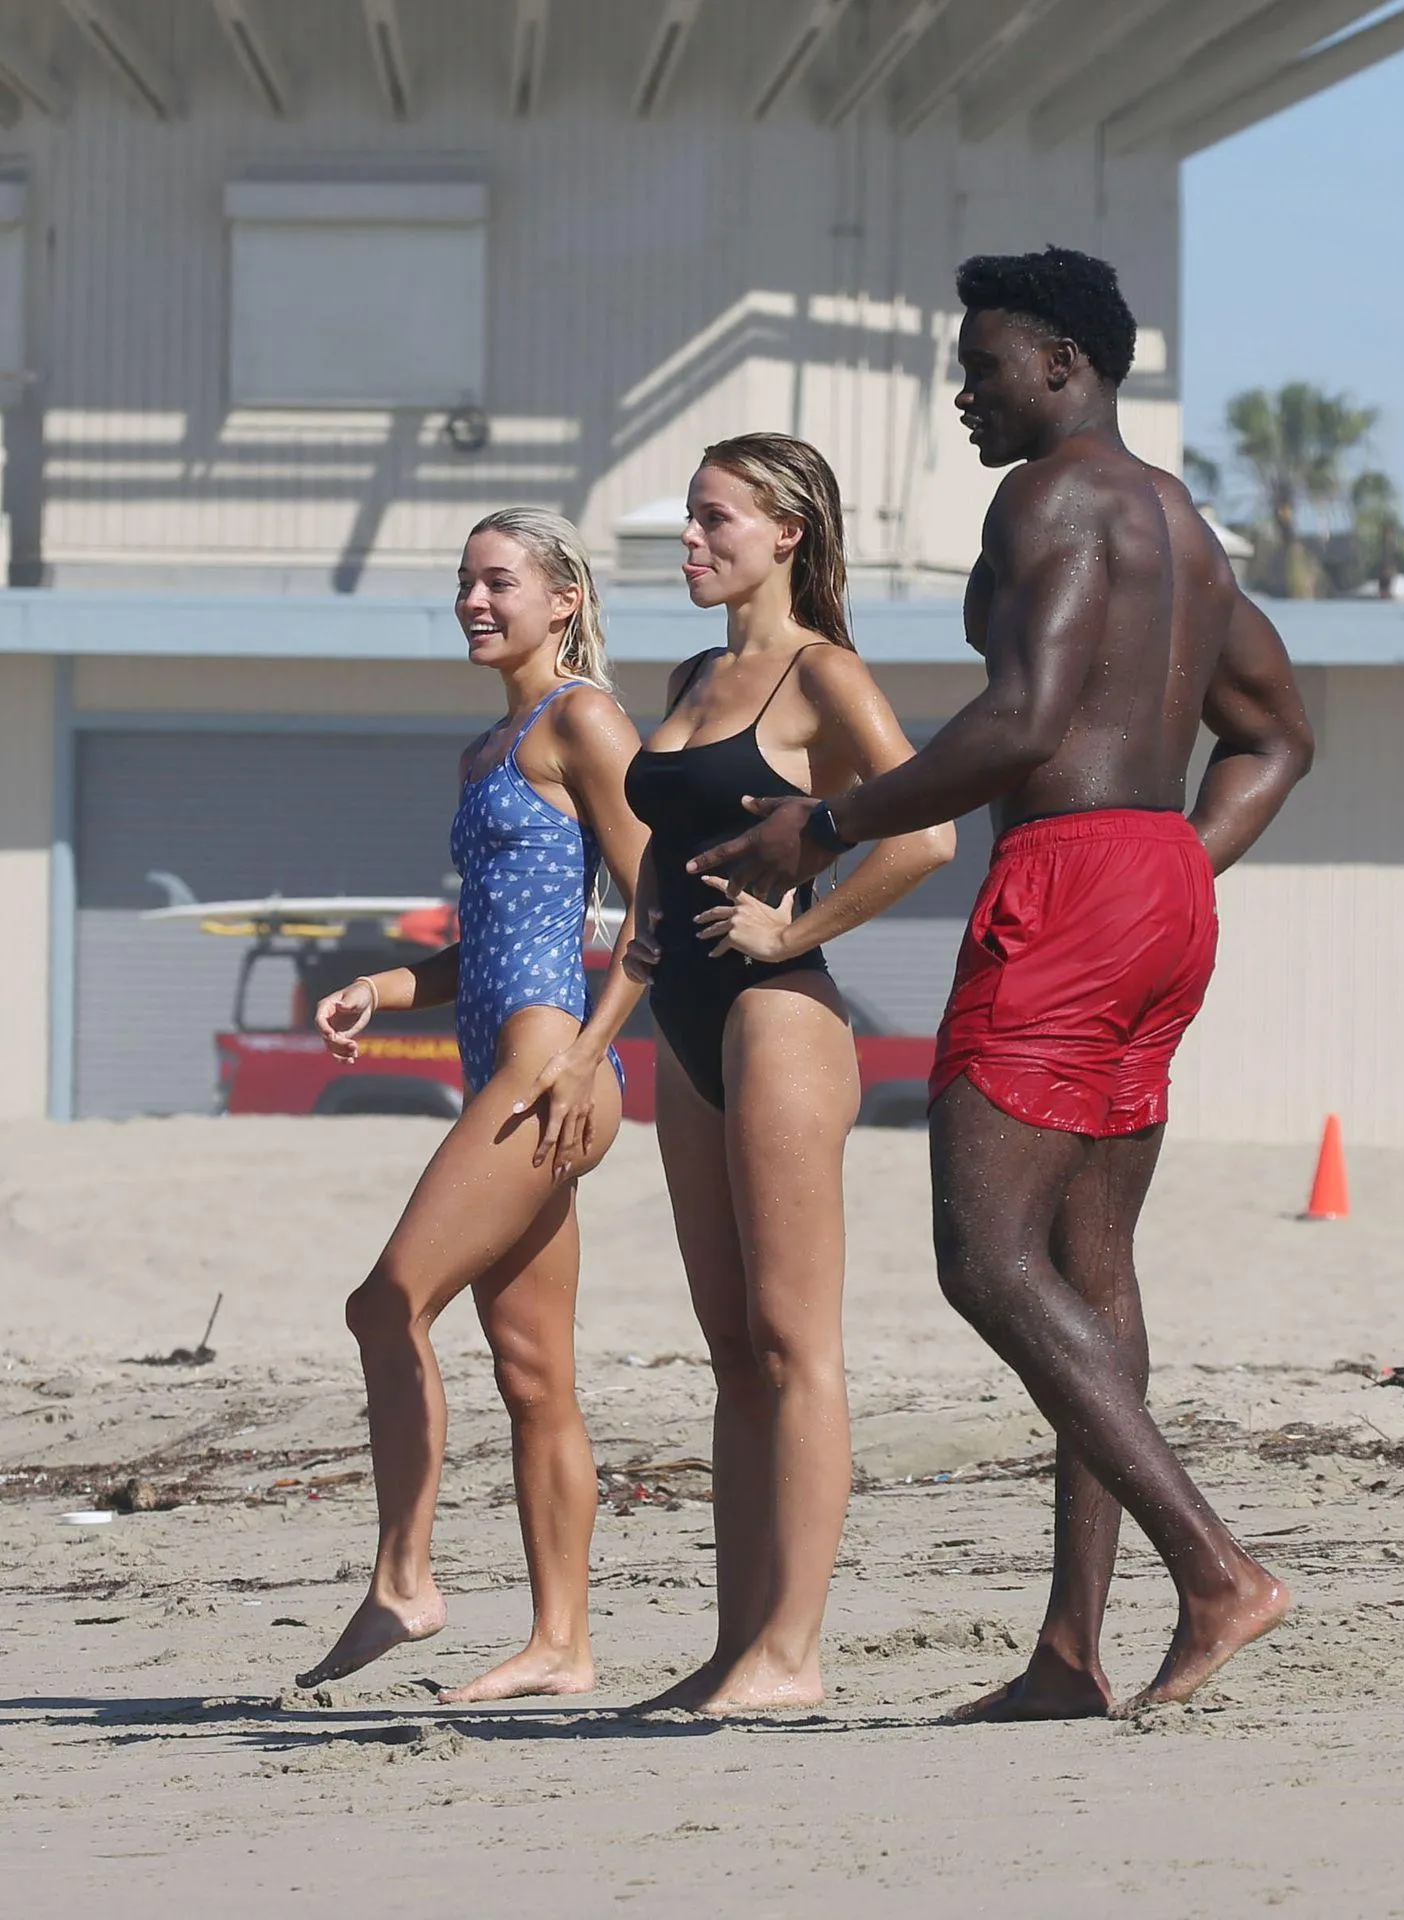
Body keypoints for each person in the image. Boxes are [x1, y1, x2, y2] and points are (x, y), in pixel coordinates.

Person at [690, 250, 1315, 1718]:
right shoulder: (1180, 523)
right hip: (1156, 878)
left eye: (980, 368)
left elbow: (1026, 716)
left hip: (1073, 875)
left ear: (1060, 365)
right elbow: (1276, 736)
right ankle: (1070, 1653)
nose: (962, 395)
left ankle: (1216, 1573)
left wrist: (826, 824)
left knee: (984, 1256)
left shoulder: (1046, 496)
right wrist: (1173, 865)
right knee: (1090, 1271)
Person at [621, 432, 955, 1713]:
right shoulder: (695, 673)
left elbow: (926, 833)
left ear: (786, 533)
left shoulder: (824, 675)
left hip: (779, 1017)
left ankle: (794, 1653)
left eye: (715, 519)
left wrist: (796, 927)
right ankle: (734, 1647)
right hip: (682, 1023)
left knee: (793, 1340)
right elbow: (662, 863)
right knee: (728, 1350)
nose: (691, 540)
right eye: (691, 518)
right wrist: (607, 1021)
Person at [296, 508, 649, 1703]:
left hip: (547, 1072)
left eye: (500, 581)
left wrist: (589, 1055)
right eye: (464, 582)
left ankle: (404, 1579)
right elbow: (488, 940)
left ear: (564, 599)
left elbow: (654, 901)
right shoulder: (486, 751)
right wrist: (384, 987)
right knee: (532, 1369)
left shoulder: (585, 719)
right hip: (507, 1062)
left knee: (384, 1302)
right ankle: (563, 1645)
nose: (475, 601)